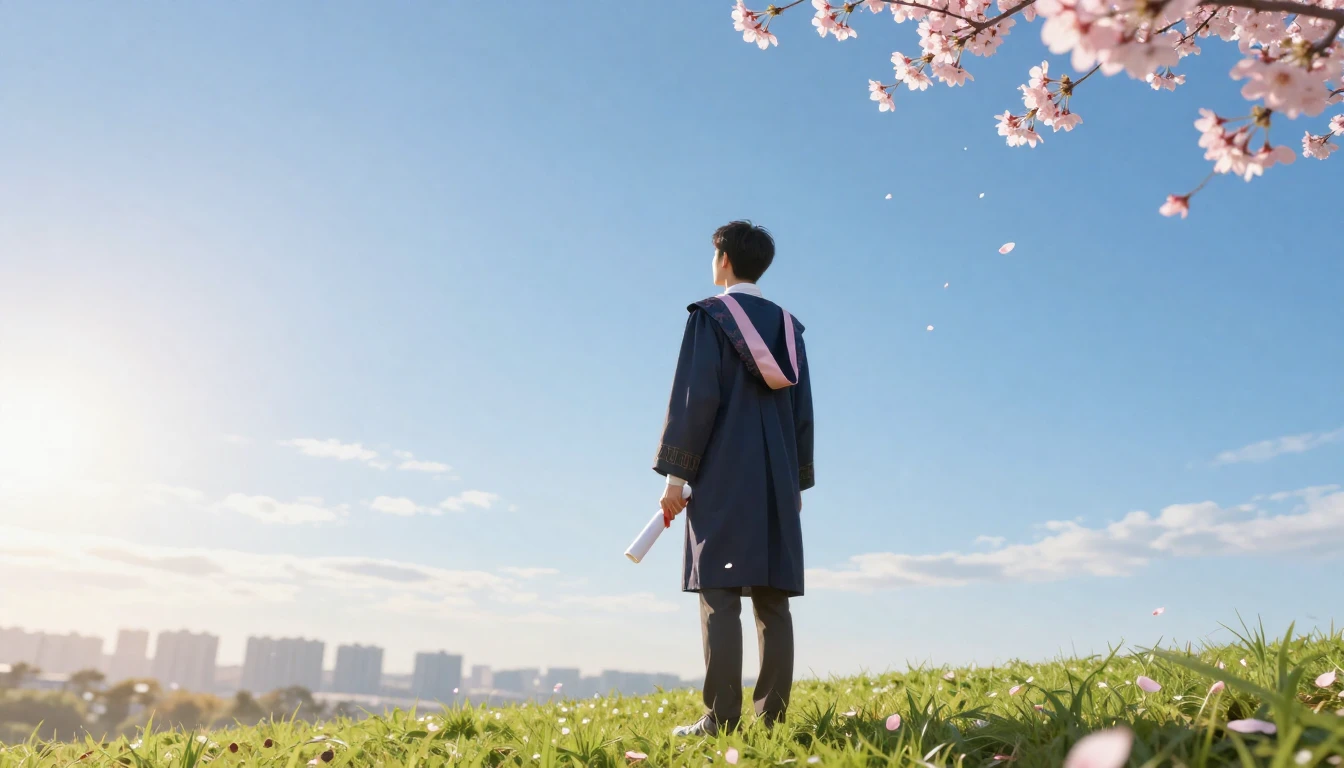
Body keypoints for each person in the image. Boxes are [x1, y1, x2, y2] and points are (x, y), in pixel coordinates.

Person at [653, 220, 815, 736]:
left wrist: (676, 478)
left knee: (719, 594)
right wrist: (796, 485)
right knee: (773, 598)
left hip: (723, 472)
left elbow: (695, 399)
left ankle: (721, 719)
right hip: (776, 479)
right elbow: (803, 413)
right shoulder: (790, 329)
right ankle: (773, 721)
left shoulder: (710, 318)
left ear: (723, 259)